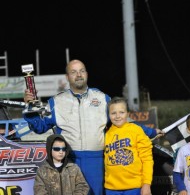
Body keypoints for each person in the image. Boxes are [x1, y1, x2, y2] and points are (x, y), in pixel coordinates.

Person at [23, 59, 163, 195]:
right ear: (67, 77)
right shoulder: (55, 102)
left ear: (87, 74)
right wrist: (29, 108)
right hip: (70, 161)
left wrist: (151, 132)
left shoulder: (102, 98)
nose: (79, 75)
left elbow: (124, 122)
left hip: (96, 161)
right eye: (74, 72)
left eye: (82, 71)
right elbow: (39, 127)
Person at [104, 97, 153, 195]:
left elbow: (147, 159)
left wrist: (146, 184)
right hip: (111, 189)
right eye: (113, 113)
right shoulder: (106, 134)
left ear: (127, 113)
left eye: (121, 112)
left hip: (134, 187)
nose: (117, 116)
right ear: (109, 115)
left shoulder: (136, 130)